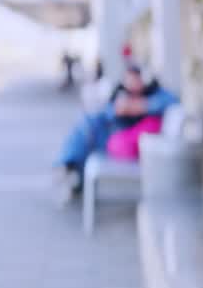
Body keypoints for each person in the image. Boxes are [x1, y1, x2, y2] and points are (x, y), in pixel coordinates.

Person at [54, 64, 178, 202]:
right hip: (114, 135)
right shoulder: (121, 93)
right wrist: (116, 110)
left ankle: (70, 167)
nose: (132, 84)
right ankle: (69, 165)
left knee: (88, 134)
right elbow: (106, 113)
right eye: (129, 80)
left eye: (135, 79)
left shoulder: (154, 92)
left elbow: (172, 101)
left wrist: (143, 106)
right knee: (88, 125)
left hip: (131, 142)